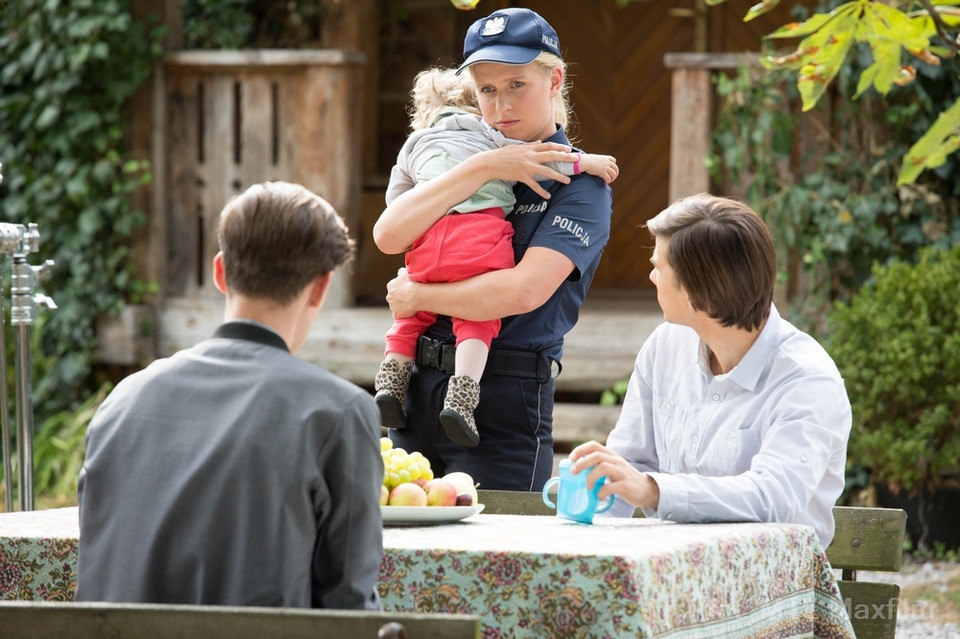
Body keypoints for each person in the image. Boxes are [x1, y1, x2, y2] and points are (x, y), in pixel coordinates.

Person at [76, 181, 383, 609]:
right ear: (320, 287)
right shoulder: (338, 412)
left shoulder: (123, 401)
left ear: (220, 272)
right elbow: (349, 610)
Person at [373, 7, 613, 491]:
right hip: (416, 393)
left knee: (497, 562)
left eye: (516, 84)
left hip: (503, 405)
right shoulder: (458, 157)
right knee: (400, 561)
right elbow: (388, 236)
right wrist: (481, 169)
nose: (501, 104)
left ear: (554, 80)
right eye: (487, 89)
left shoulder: (581, 187)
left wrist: (418, 298)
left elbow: (522, 292)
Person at [569, 194, 852, 547]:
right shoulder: (665, 346)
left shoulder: (807, 379)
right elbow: (629, 466)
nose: (651, 276)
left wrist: (655, 490)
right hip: (670, 575)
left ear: (691, 292)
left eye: (659, 267)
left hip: (772, 589)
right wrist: (585, 540)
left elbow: (773, 497)